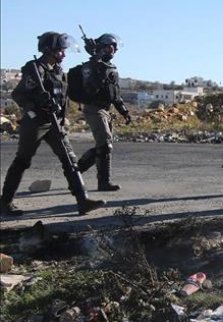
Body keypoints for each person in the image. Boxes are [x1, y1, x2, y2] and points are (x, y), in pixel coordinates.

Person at [0, 32, 104, 217]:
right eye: (61, 50)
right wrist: (34, 106)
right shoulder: (35, 70)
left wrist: (64, 118)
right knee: (22, 160)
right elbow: (18, 95)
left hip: (56, 122)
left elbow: (63, 99)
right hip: (36, 122)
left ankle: (83, 201)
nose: (64, 54)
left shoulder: (58, 71)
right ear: (49, 50)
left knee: (70, 160)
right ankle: (5, 203)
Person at [75, 33, 132, 191]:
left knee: (104, 146)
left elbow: (114, 93)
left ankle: (75, 172)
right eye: (108, 46)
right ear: (100, 48)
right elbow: (90, 89)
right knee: (105, 144)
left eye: (114, 46)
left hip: (107, 109)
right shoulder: (90, 66)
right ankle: (103, 182)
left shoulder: (111, 68)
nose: (112, 49)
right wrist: (97, 64)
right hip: (94, 108)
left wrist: (124, 111)